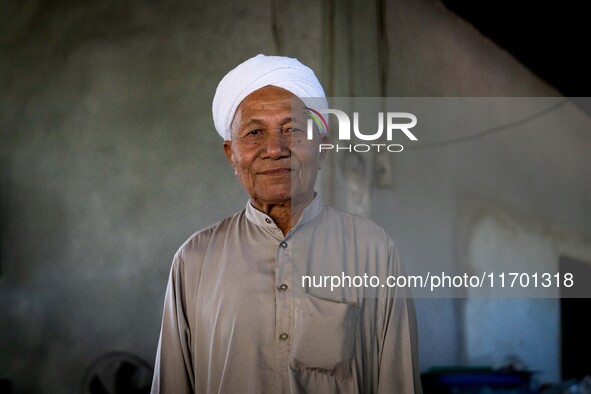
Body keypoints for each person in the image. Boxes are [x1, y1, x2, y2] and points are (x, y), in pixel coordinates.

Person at [150, 54, 422, 393]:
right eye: (254, 132)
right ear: (231, 154)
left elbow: (399, 383)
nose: (275, 149)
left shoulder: (372, 250)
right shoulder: (194, 260)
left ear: (322, 148)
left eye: (293, 129)